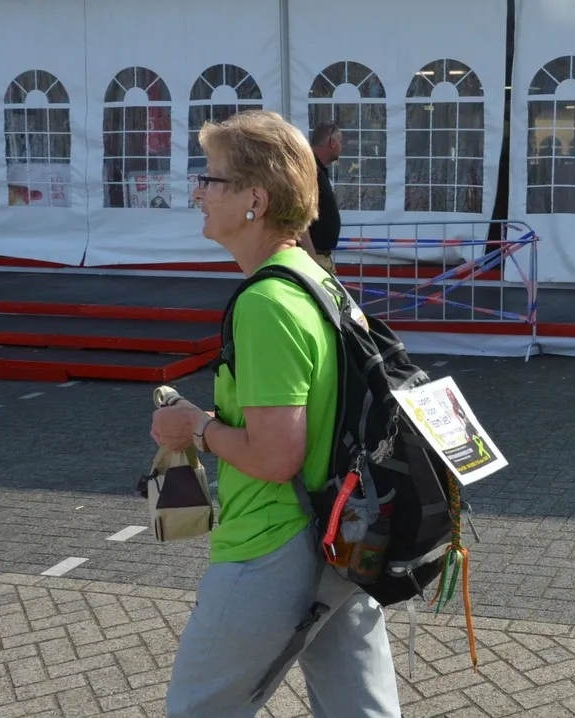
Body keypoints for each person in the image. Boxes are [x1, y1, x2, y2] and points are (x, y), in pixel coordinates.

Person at [151, 109, 400, 717]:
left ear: (254, 199)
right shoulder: (316, 280)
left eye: (210, 179)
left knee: (197, 708)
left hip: (272, 541)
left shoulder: (265, 303)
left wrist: (196, 427)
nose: (197, 192)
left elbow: (274, 454)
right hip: (342, 535)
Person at [301, 120, 342, 275]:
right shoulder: (309, 169)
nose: (341, 146)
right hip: (314, 259)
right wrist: (312, 260)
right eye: (340, 142)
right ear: (332, 142)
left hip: (321, 257)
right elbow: (300, 219)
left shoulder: (318, 170)